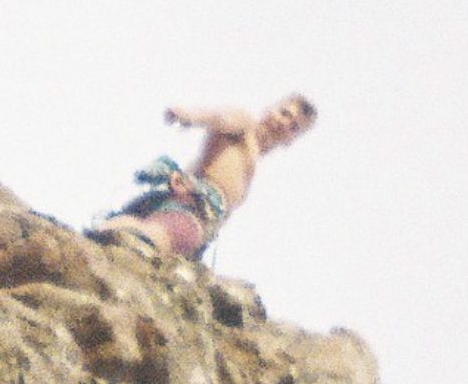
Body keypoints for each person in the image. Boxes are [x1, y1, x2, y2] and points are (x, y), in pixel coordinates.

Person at [98, 95, 314, 263]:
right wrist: (189, 117)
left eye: (294, 126)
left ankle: (102, 236)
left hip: (183, 203)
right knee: (165, 235)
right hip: (189, 207)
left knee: (122, 230)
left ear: (291, 140)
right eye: (284, 113)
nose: (285, 123)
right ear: (270, 110)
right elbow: (220, 118)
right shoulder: (245, 126)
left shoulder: (250, 163)